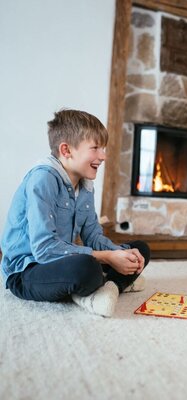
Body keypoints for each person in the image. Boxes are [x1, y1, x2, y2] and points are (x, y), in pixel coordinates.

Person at [1, 109, 150, 317]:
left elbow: (93, 236)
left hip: (62, 261)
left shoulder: (85, 183)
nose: (103, 156)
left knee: (139, 250)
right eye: (95, 148)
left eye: (103, 148)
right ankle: (104, 286)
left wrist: (118, 253)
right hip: (27, 271)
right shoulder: (42, 179)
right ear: (66, 150)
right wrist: (108, 257)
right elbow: (44, 249)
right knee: (86, 268)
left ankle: (110, 288)